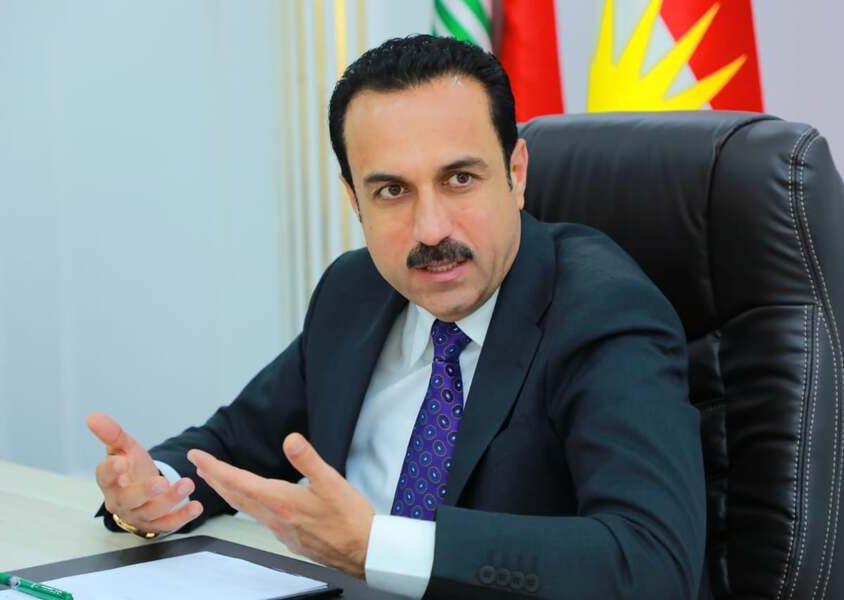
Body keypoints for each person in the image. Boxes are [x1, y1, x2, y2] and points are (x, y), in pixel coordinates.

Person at [87, 35, 706, 599]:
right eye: (392, 191)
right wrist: (153, 489)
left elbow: (652, 562)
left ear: (516, 174)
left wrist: (378, 548)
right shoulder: (354, 289)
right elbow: (233, 444)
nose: (431, 230)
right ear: (354, 199)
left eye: (459, 178)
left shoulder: (603, 311)